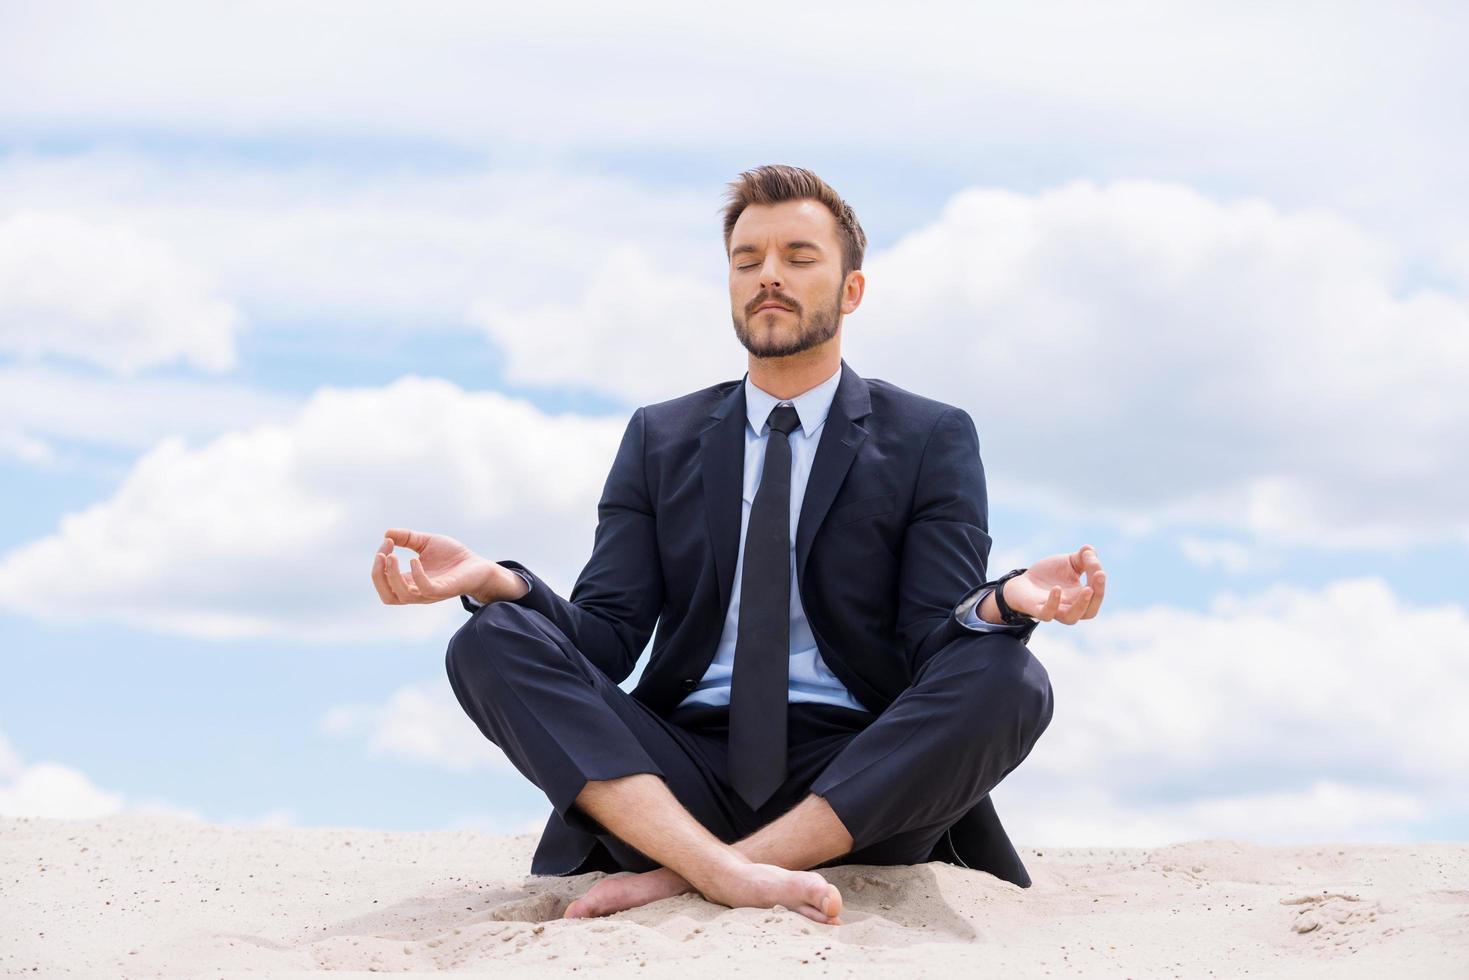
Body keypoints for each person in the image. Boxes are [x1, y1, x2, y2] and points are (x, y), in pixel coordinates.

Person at [370, 164, 1105, 926]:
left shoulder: (929, 436)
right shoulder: (660, 438)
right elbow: (609, 637)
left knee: (1009, 676)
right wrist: (497, 582)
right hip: (672, 776)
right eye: (746, 261)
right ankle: (719, 867)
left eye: (797, 257)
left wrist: (1004, 601)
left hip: (860, 778)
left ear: (851, 290)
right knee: (488, 639)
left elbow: (930, 639)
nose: (768, 278)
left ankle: (693, 874)